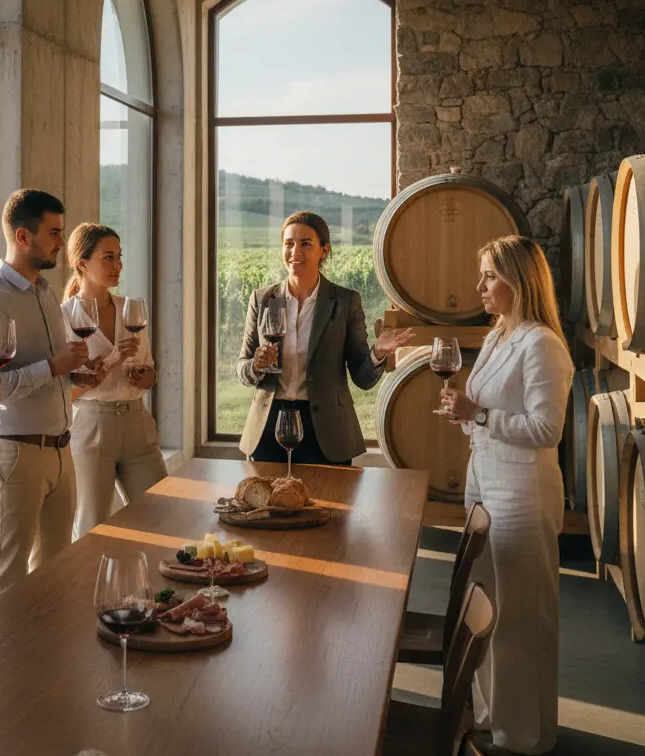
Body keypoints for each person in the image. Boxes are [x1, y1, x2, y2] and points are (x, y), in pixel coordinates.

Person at [439, 235, 573, 756]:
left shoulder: (542, 343)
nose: (480, 287)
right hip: (484, 478)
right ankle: (495, 718)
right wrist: (467, 415)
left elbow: (547, 430)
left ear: (520, 280)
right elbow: (483, 410)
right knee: (489, 608)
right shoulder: (499, 336)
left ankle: (528, 735)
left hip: (521, 487)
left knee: (523, 611)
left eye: (490, 276)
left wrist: (480, 416)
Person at [0, 189, 96, 606]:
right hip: (13, 455)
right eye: (54, 233)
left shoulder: (45, 293)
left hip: (59, 449)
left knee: (56, 576)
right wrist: (52, 367)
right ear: (22, 236)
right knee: (5, 583)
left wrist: (78, 374)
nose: (61, 241)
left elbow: (52, 372)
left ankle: (42, 670)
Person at [236, 211, 413, 465]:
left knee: (328, 504)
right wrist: (255, 365)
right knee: (269, 503)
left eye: (305, 243)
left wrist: (378, 352)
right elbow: (242, 368)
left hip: (326, 431)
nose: (295, 251)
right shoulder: (262, 299)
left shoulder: (345, 301)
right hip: (268, 427)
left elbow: (362, 377)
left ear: (324, 251)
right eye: (289, 243)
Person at [61, 223, 167, 539]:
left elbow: (149, 375)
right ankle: (91, 588)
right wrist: (111, 362)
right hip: (92, 427)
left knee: (161, 515)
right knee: (92, 525)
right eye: (108, 257)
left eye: (119, 256)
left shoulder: (131, 309)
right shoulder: (64, 317)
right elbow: (67, 393)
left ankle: (153, 588)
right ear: (82, 262)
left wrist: (144, 374)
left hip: (137, 422)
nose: (118, 265)